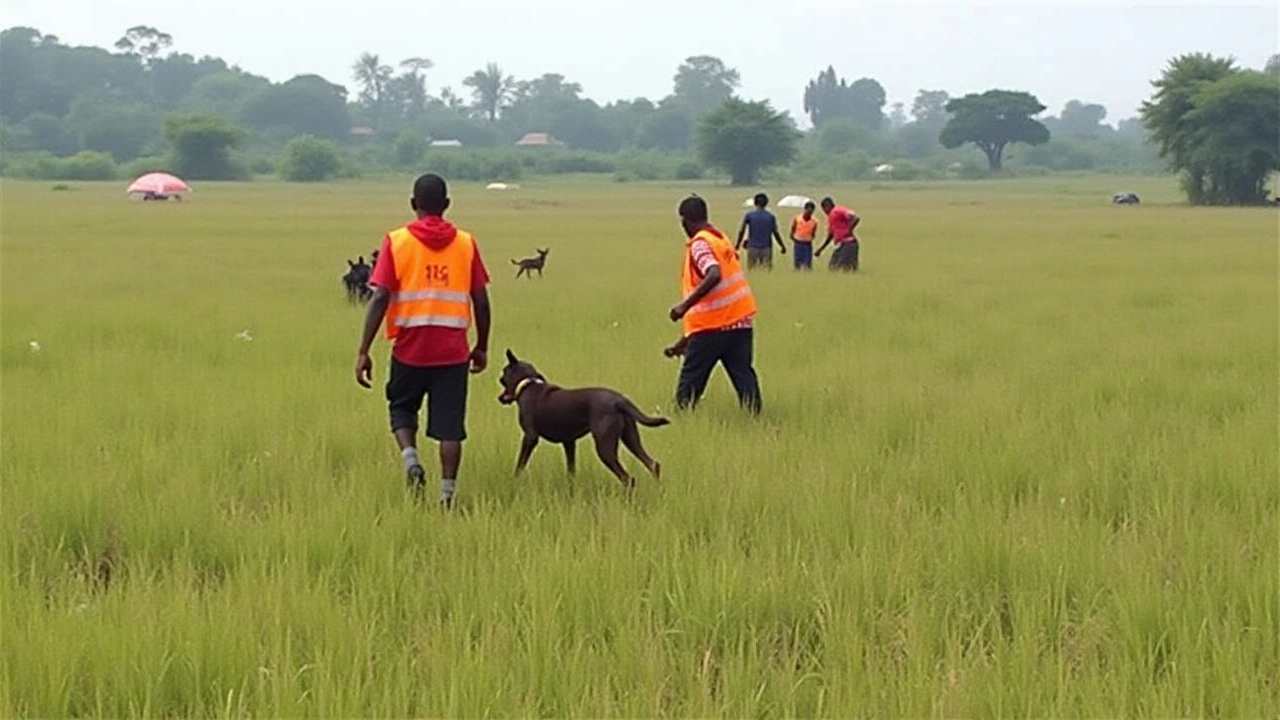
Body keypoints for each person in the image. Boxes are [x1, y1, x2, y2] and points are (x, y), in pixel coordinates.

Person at [354, 173, 492, 508]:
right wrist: (482, 346)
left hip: (409, 349)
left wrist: (363, 350)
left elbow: (379, 297)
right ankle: (447, 496)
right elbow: (482, 300)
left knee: (401, 408)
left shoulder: (396, 241)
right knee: (450, 428)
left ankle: (412, 460)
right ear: (446, 205)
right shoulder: (466, 243)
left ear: (413, 204)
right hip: (453, 352)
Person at [665, 195, 763, 415]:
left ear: (684, 221)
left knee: (689, 387)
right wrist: (683, 342)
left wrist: (684, 306)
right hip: (740, 322)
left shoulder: (700, 244)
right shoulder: (720, 239)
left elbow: (714, 274)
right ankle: (755, 418)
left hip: (713, 327)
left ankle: (682, 422)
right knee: (743, 376)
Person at [735, 192, 786, 270]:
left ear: (755, 202)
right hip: (766, 248)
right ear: (766, 203)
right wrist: (782, 246)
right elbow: (776, 233)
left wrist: (737, 245)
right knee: (766, 270)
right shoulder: (770, 216)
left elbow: (741, 231)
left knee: (752, 270)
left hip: (752, 247)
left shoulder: (749, 215)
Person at [814, 196, 861, 272]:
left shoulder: (837, 211)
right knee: (833, 267)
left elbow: (855, 218)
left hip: (849, 244)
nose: (824, 212)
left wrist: (848, 230)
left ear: (827, 206)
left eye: (824, 210)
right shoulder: (830, 218)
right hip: (841, 244)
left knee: (845, 269)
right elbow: (830, 235)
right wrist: (821, 249)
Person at [789, 201, 819, 270]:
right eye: (808, 211)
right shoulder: (797, 219)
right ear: (805, 209)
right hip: (798, 243)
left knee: (808, 263)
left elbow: (813, 233)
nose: (809, 213)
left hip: (807, 244)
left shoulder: (814, 221)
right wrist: (795, 239)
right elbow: (793, 229)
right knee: (797, 263)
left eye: (811, 211)